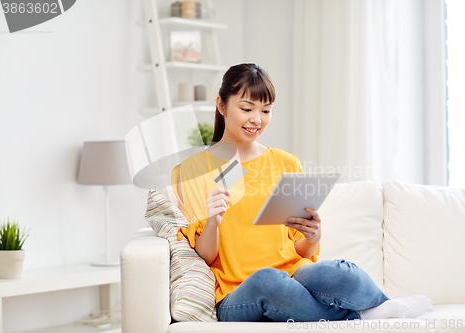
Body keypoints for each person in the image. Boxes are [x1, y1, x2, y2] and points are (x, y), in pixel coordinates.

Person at [172, 63, 434, 322]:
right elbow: (205, 256)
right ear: (221, 105)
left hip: (292, 275)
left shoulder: (286, 163)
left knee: (339, 271)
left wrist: (313, 235)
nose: (257, 119)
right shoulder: (192, 170)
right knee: (268, 280)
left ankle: (384, 306)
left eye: (266, 110)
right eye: (246, 108)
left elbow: (302, 252)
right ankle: (361, 317)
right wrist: (213, 222)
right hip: (237, 293)